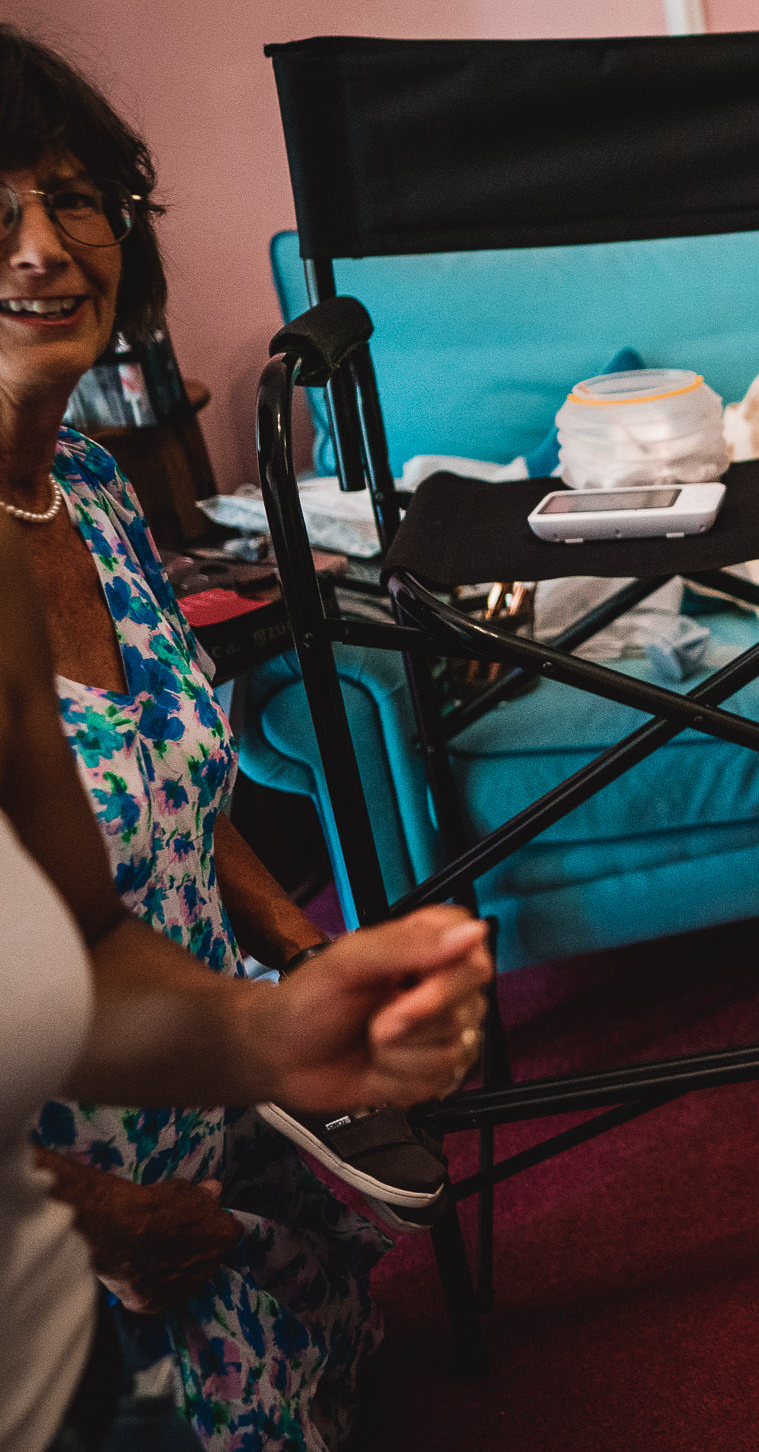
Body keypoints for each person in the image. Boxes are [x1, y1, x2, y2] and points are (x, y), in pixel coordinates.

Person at [2, 24, 450, 1451]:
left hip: (195, 1077)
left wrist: (296, 980)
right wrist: (108, 1218)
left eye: (73, 198)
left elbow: (167, 818)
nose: (41, 249)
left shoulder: (87, 479)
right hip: (72, 1214)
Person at [0, 521, 494, 1452]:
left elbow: (88, 937)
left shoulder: (51, 521)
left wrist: (278, 1022)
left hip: (143, 1190)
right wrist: (92, 1216)